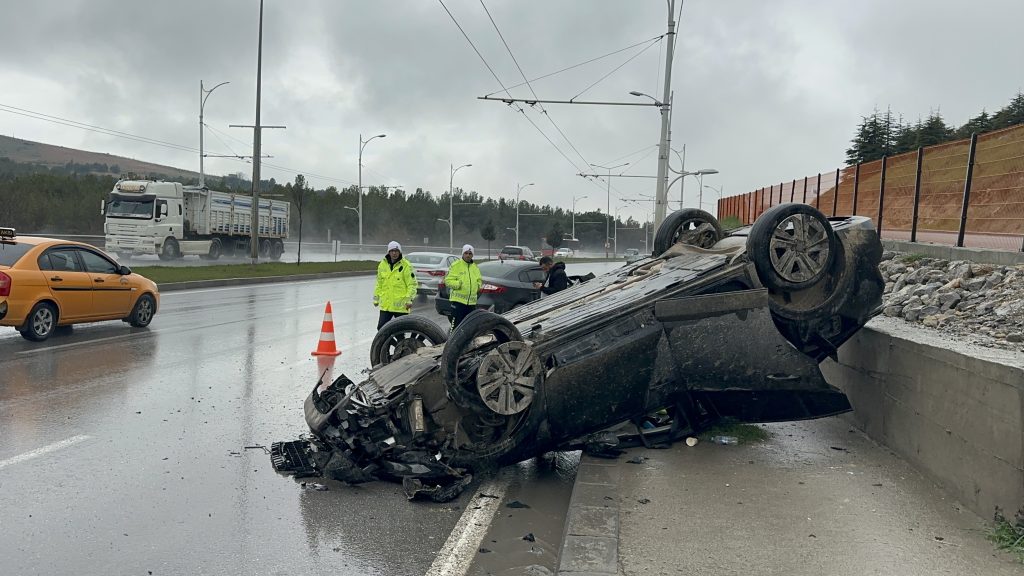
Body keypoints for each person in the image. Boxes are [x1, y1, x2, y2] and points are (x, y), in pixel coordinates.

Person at [373, 241, 418, 330]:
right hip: (386, 305)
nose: (394, 253)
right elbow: (379, 283)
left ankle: (401, 344)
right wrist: (376, 298)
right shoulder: (383, 265)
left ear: (400, 252)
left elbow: (412, 284)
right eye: (392, 251)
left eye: (396, 251)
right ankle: (387, 344)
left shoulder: (406, 265)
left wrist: (409, 300)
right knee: (381, 328)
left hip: (401, 306)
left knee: (400, 332)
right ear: (388, 252)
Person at [445, 244, 482, 329]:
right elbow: (447, 281)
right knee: (456, 328)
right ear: (462, 254)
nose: (468, 255)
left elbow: (479, 280)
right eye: (466, 253)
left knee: (469, 328)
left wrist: (477, 286)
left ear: (472, 255)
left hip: (471, 304)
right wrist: (458, 284)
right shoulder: (456, 265)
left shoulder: (475, 267)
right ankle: (453, 342)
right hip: (458, 303)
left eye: (470, 253)